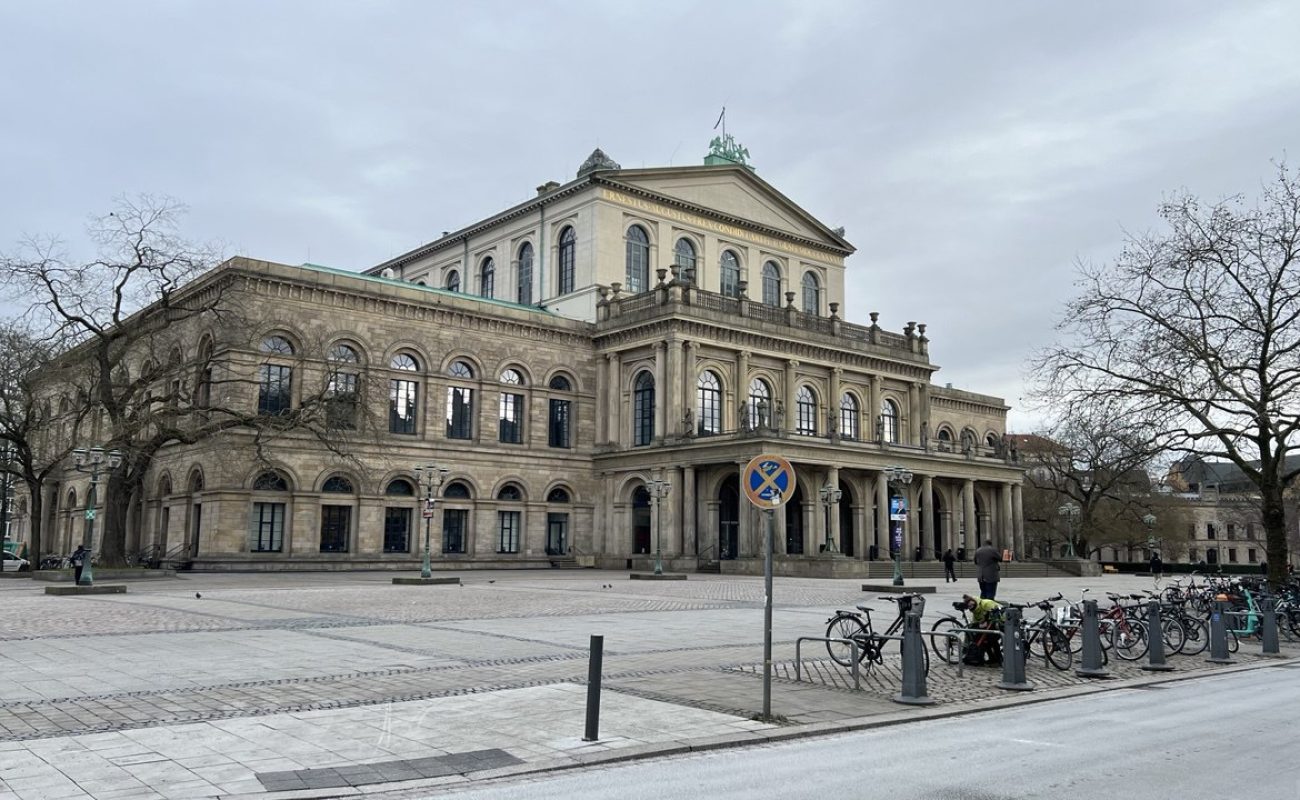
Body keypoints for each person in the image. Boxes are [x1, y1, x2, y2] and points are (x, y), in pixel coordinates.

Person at [957, 594, 1004, 666]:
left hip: (1000, 623)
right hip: (989, 626)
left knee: (990, 639)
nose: (971, 607)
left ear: (973, 601)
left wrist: (985, 622)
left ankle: (997, 659)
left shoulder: (986, 603)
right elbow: (976, 623)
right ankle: (991, 659)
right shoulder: (975, 611)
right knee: (982, 638)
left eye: (971, 605)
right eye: (969, 607)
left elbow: (997, 614)